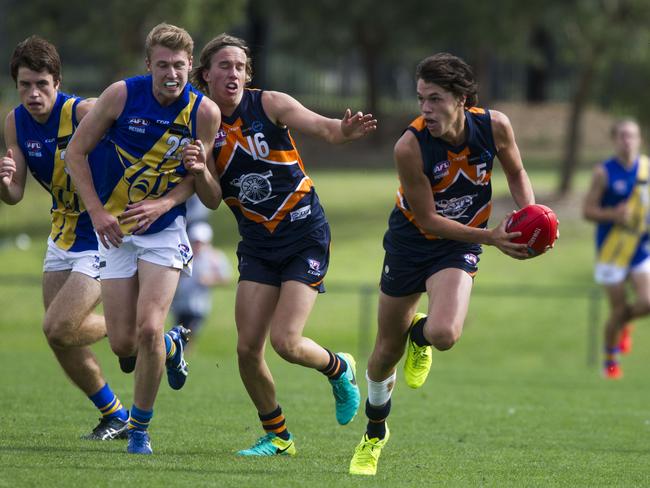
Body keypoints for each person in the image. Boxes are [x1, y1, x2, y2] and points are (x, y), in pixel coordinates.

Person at [183, 33, 376, 456]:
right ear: (205, 75)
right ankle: (278, 436)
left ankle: (339, 367)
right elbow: (213, 199)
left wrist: (344, 130)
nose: (232, 73)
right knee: (246, 349)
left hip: (304, 231)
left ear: (246, 74)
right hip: (256, 242)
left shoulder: (269, 104)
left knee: (286, 343)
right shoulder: (201, 123)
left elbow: (325, 128)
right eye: (223, 66)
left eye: (239, 66)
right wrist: (200, 169)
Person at [347, 53, 536, 475]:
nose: (425, 109)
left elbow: (518, 172)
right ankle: (374, 434)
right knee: (382, 354)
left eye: (435, 99)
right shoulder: (409, 146)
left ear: (461, 98)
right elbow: (429, 219)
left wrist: (532, 217)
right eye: (420, 99)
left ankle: (422, 335)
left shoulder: (494, 126)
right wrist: (491, 236)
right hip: (411, 243)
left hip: (456, 246)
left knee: (446, 333)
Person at [65, 23, 222, 454]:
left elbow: (209, 196)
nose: (171, 73)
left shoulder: (204, 113)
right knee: (123, 343)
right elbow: (75, 153)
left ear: (191, 67)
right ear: (148, 65)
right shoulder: (120, 95)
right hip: (115, 231)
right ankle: (172, 346)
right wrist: (96, 211)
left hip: (165, 233)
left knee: (150, 325)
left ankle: (139, 430)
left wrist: (183, 185)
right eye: (162, 65)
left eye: (179, 66)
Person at [0, 35, 131, 440]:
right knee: (61, 339)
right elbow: (15, 194)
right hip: (63, 233)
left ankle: (143, 331)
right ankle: (115, 414)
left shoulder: (84, 112)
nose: (33, 94)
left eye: (41, 84)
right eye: (25, 85)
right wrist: (3, 182)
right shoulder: (14, 121)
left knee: (57, 327)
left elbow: (136, 147)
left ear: (57, 81)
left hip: (104, 232)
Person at [583, 119, 649, 379]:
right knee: (618, 310)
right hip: (611, 251)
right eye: (622, 136)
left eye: (632, 136)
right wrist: (613, 214)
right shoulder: (604, 172)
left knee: (647, 302)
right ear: (615, 140)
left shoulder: (646, 168)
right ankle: (610, 359)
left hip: (640, 248)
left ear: (639, 139)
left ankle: (624, 326)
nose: (627, 140)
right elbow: (587, 211)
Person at [171, 221, 232, 340]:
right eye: (195, 242)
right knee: (178, 333)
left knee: (189, 334)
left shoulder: (214, 258)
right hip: (180, 302)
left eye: (201, 243)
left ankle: (186, 353)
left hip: (199, 304)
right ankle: (182, 354)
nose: (198, 246)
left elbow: (225, 278)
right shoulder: (184, 255)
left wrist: (211, 280)